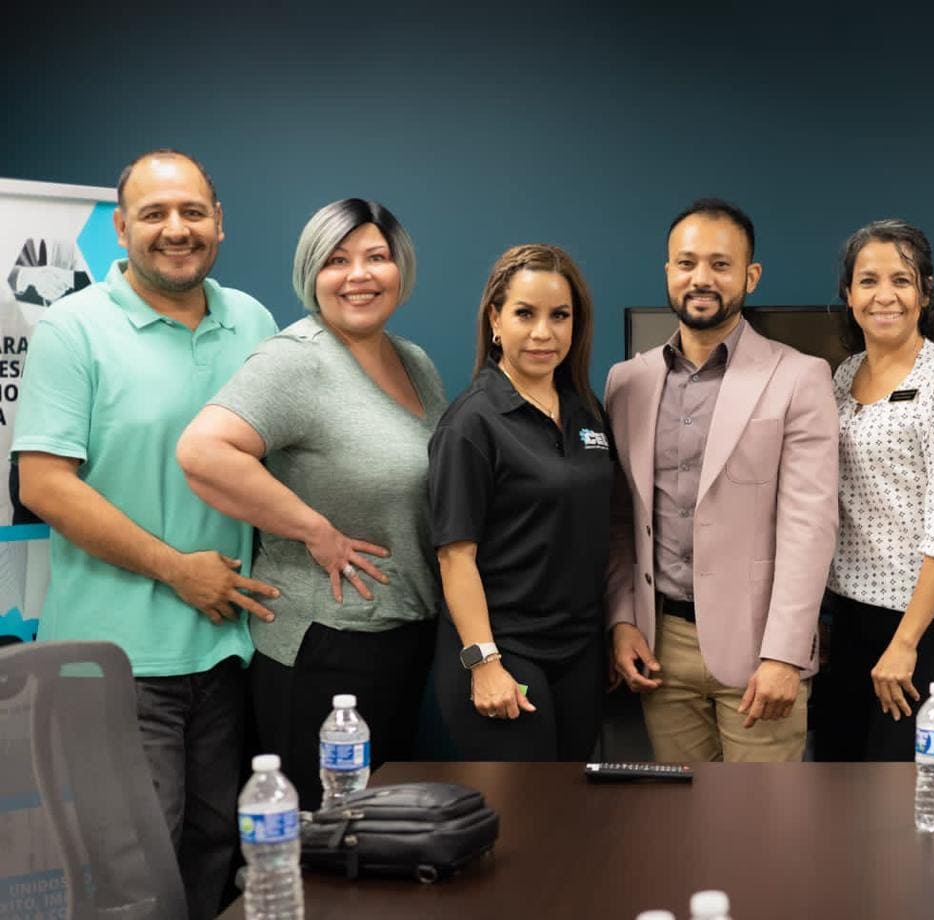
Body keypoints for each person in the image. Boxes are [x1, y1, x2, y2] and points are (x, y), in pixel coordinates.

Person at [12, 148, 279, 919]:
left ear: (219, 224)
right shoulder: (73, 329)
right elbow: (44, 485)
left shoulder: (253, 323)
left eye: (192, 211)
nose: (176, 229)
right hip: (116, 664)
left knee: (211, 849)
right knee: (132, 873)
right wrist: (176, 570)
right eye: (154, 214)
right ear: (121, 227)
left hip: (228, 650)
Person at [176, 198, 446, 806]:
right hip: (326, 644)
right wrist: (314, 530)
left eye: (376, 257)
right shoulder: (297, 358)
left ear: (399, 269)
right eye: (336, 260)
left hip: (402, 634)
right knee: (318, 841)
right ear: (310, 275)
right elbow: (202, 451)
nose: (359, 275)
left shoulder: (415, 363)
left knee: (376, 838)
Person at [606, 197, 839, 762]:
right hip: (659, 648)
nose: (701, 279)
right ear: (667, 272)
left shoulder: (800, 377)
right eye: (686, 264)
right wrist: (621, 621)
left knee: (761, 837)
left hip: (760, 652)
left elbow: (810, 528)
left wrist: (785, 654)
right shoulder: (626, 382)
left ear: (750, 277)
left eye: (720, 264)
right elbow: (619, 520)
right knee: (683, 830)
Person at [811, 219, 934, 762]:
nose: (883, 295)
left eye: (901, 280)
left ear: (926, 292)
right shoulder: (843, 377)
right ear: (848, 294)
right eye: (868, 281)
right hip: (851, 616)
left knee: (901, 798)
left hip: (924, 626)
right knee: (840, 784)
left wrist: (906, 641)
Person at [427, 244, 613, 761]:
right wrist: (484, 662)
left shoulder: (586, 410)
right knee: (525, 823)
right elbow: (454, 556)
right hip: (506, 651)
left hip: (578, 650)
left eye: (560, 316)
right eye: (525, 314)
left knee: (578, 812)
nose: (543, 333)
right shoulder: (472, 422)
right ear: (494, 319)